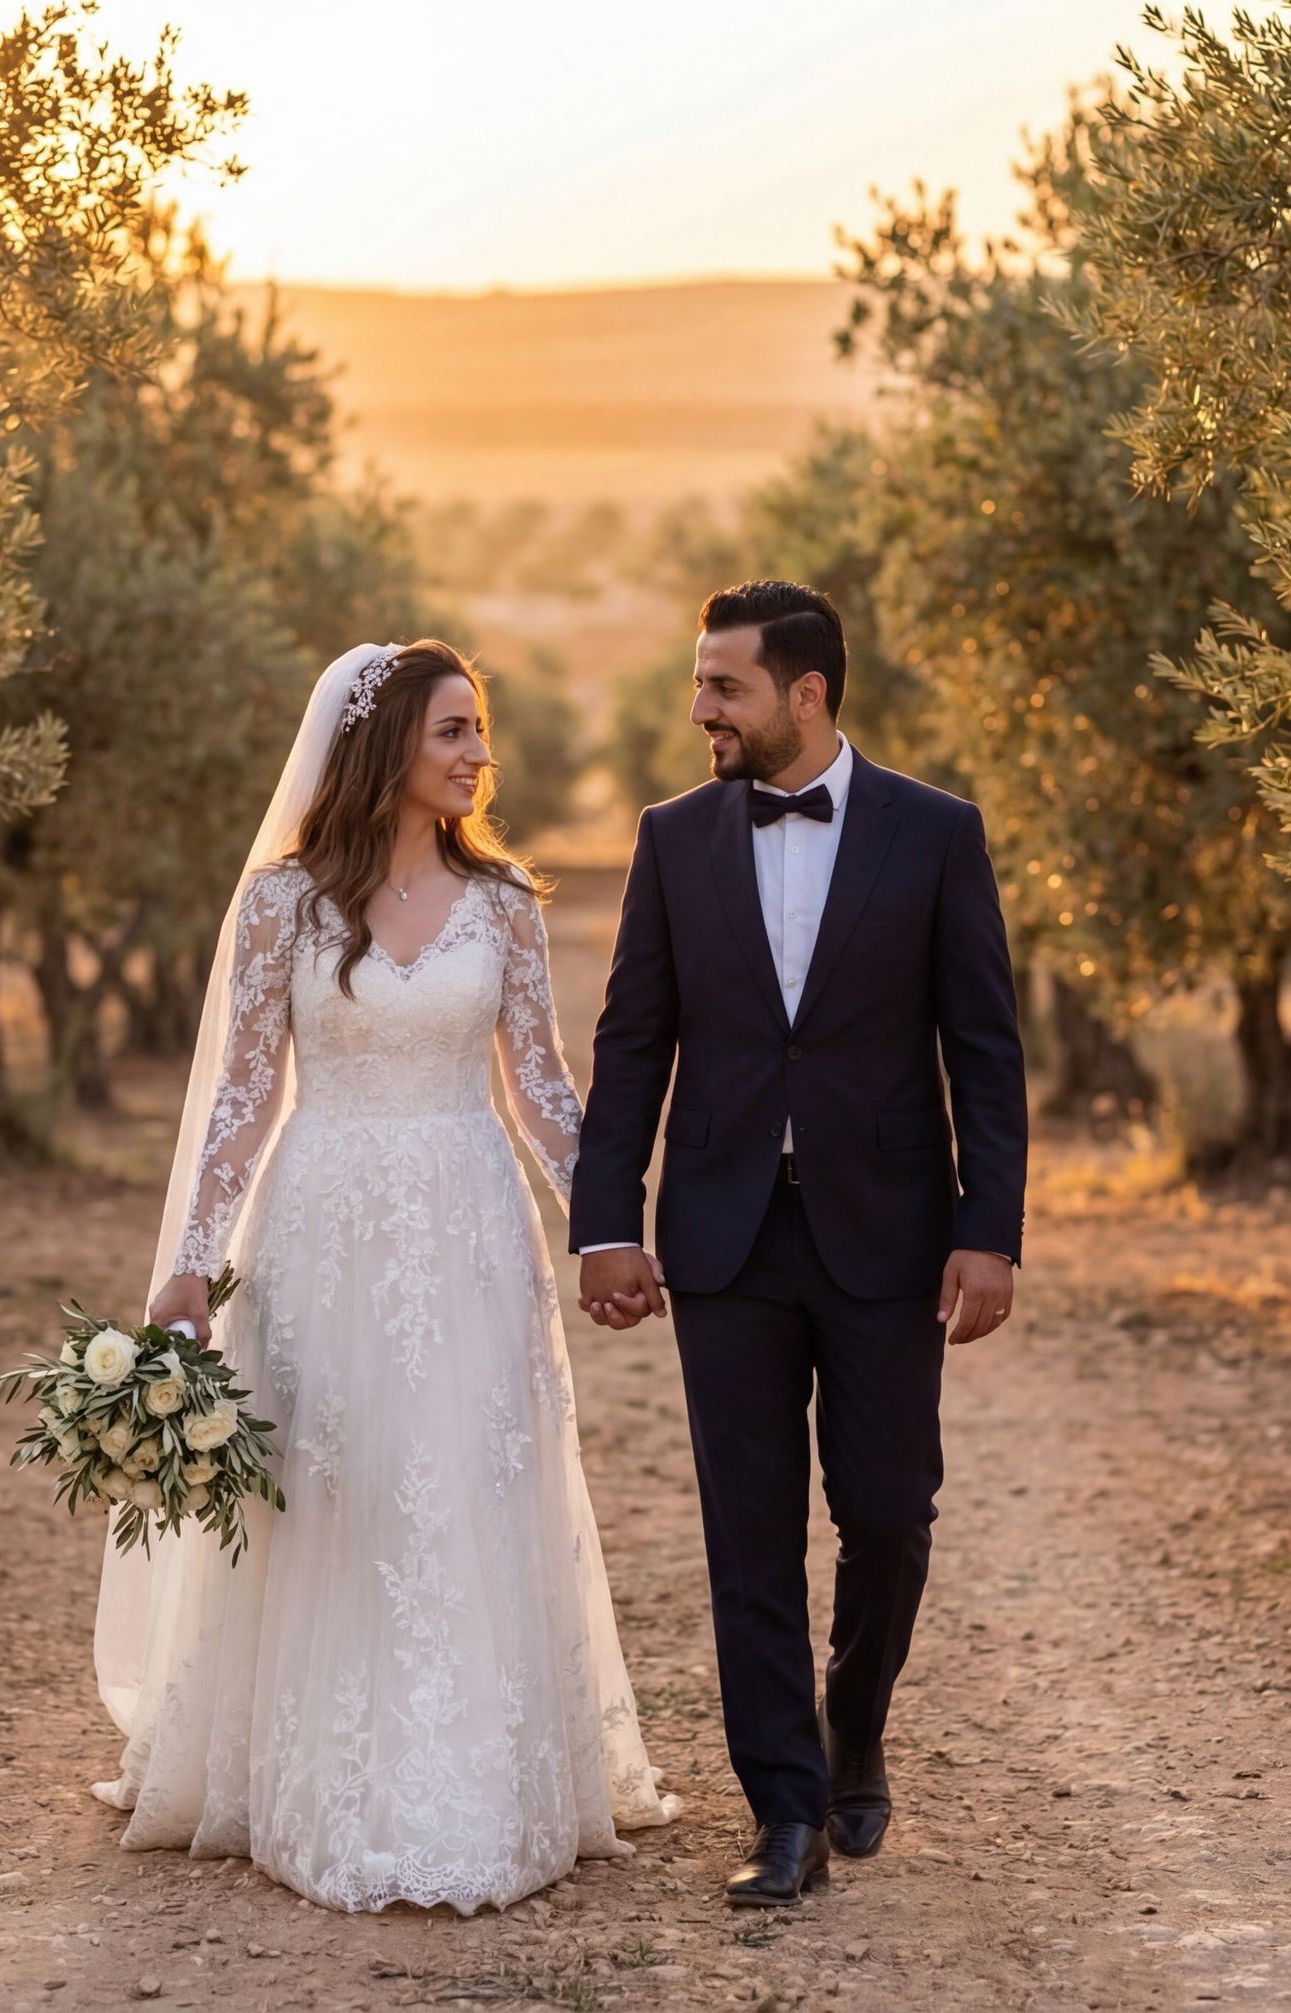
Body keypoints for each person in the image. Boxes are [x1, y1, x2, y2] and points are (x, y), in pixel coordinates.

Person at [94, 639, 678, 1914]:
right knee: (337, 1482)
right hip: (322, 1227)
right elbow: (243, 1103)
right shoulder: (281, 907)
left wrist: (607, 1229)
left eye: (482, 730)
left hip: (470, 1227)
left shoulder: (507, 903)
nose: (479, 754)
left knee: (468, 1477)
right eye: (453, 732)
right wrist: (189, 1267)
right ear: (385, 747)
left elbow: (541, 1088)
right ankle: (323, 1771)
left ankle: (481, 1774)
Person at [570, 580, 1029, 1907]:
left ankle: (854, 1722)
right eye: (698, 683)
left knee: (888, 1514)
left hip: (888, 1235)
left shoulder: (937, 833)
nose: (700, 709)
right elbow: (630, 1046)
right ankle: (784, 1811)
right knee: (749, 1535)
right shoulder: (672, 838)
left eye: (724, 686)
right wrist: (608, 1222)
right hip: (721, 1240)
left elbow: (984, 1052)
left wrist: (986, 1232)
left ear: (805, 694)